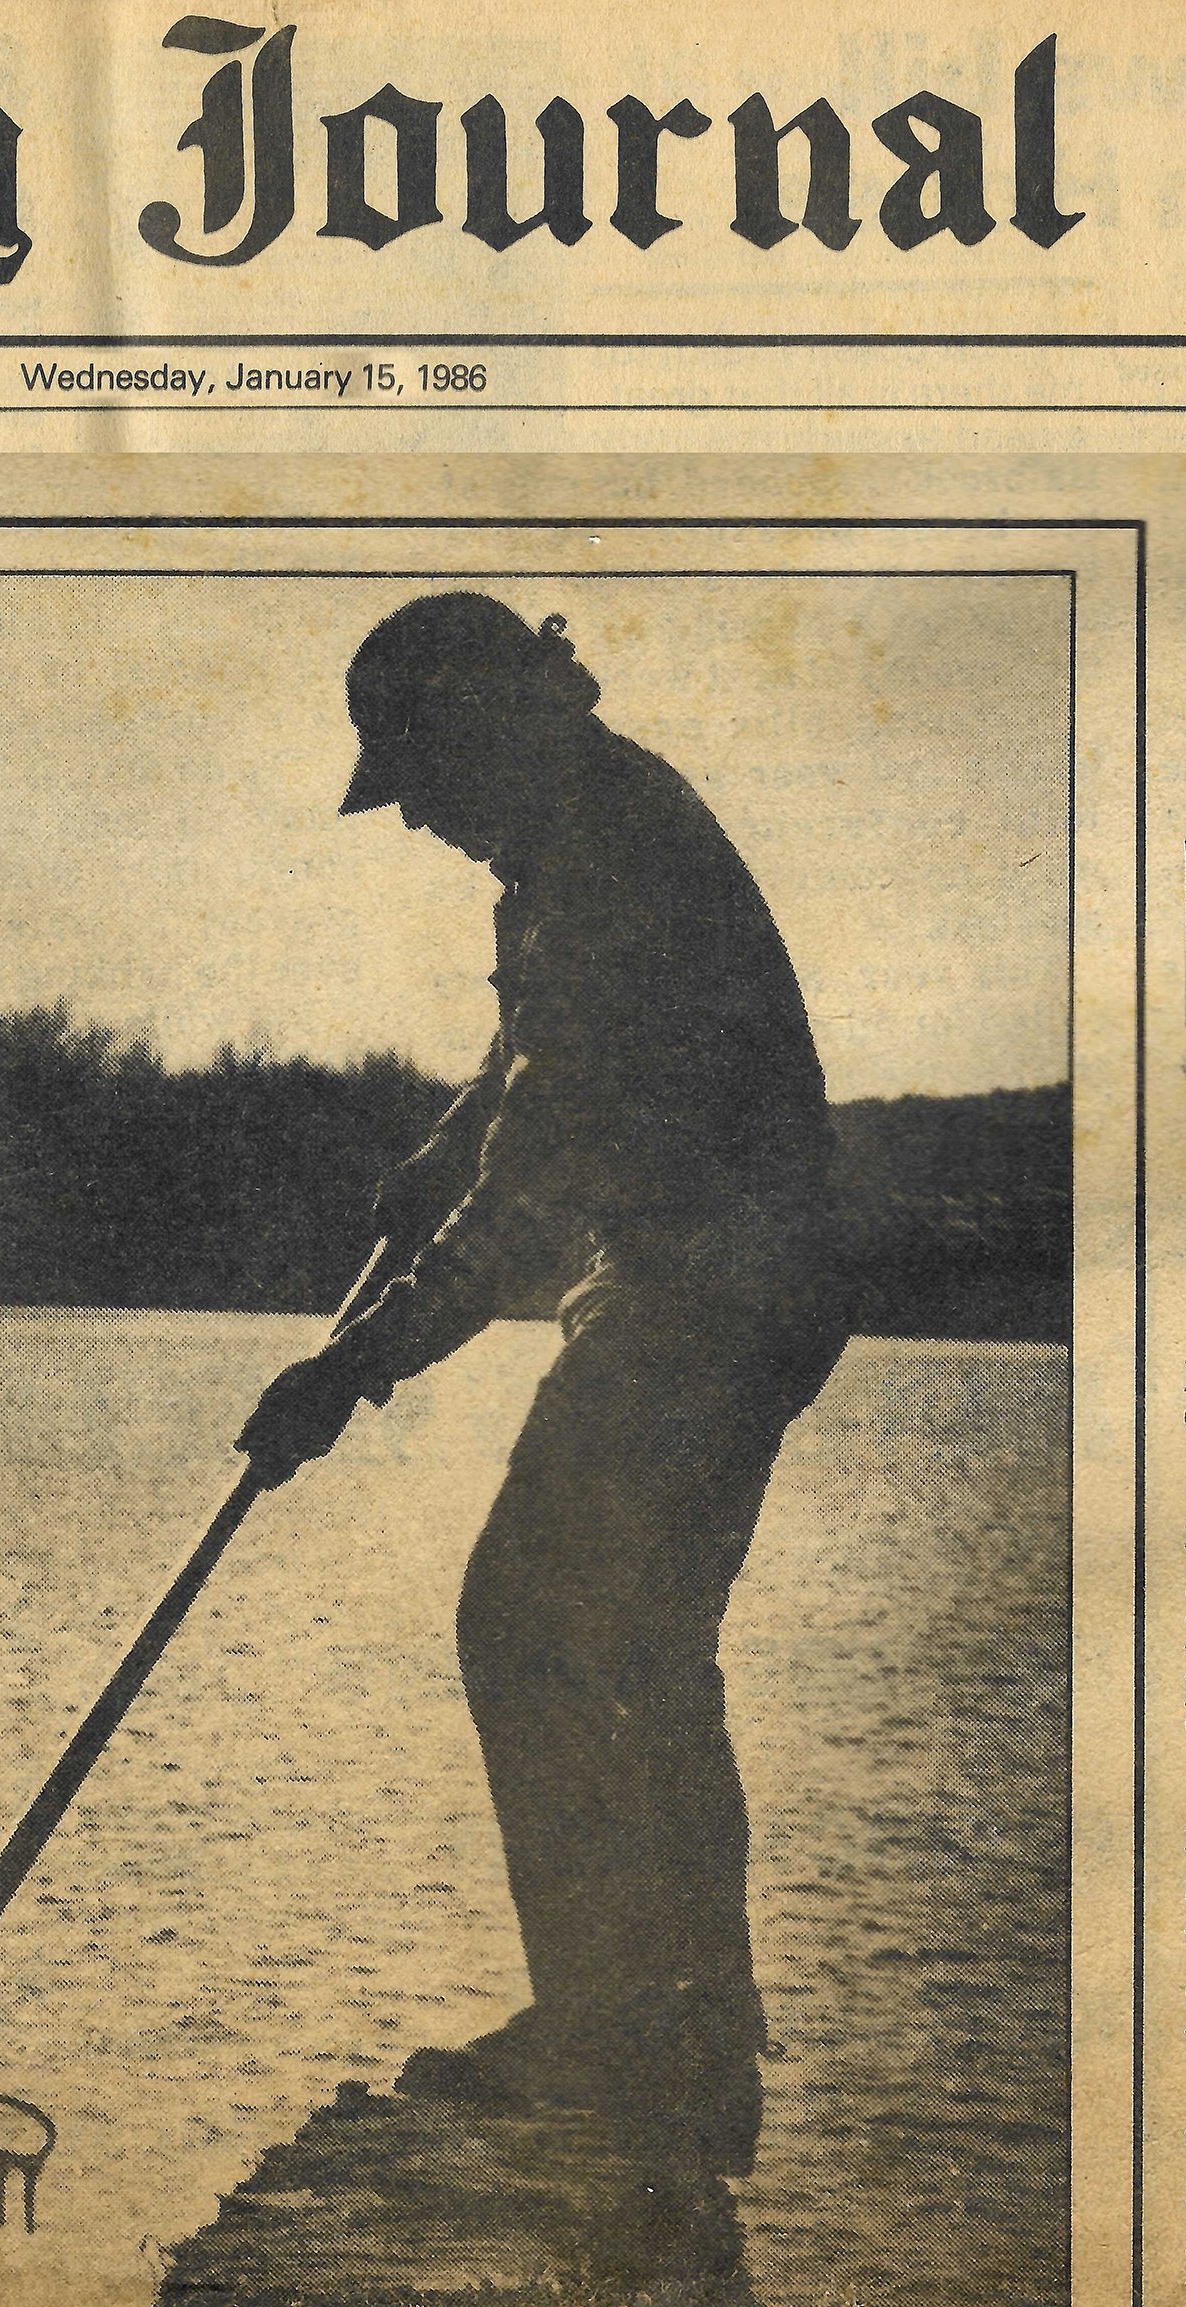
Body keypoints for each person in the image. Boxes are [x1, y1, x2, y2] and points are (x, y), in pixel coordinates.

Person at [235, 591, 851, 2179]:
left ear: (482, 729)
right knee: (638, 1646)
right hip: (717, 1280)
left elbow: (535, 1185)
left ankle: (608, 2028)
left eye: (420, 776)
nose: (413, 817)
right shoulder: (577, 830)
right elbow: (523, 1072)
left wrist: (351, 1369)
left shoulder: (602, 858)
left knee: (524, 1617)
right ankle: (687, 2035)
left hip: (711, 1286)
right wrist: (434, 1154)